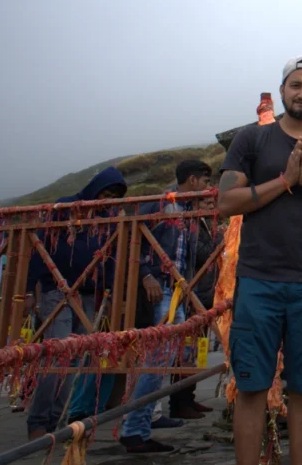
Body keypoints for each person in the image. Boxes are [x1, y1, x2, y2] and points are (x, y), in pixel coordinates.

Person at [218, 57, 302, 465]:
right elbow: (226, 202)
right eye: (295, 85)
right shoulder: (252, 140)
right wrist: (284, 182)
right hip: (258, 279)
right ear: (282, 91)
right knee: (251, 386)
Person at [119, 159, 215, 453]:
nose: (208, 187)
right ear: (192, 180)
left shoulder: (187, 210)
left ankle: (141, 423)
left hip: (176, 290)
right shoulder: (161, 204)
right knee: (157, 357)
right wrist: (145, 274)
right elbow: (133, 240)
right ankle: (134, 429)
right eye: (204, 180)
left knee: (172, 354)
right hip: (159, 287)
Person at [24, 166, 126, 441]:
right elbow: (40, 245)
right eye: (106, 193)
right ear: (95, 188)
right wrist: (26, 290)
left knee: (76, 359)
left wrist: (112, 291)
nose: (107, 200)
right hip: (57, 290)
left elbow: (115, 255)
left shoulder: (110, 218)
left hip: (90, 293)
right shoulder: (67, 207)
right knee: (58, 356)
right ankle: (38, 422)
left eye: (114, 196)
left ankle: (54, 423)